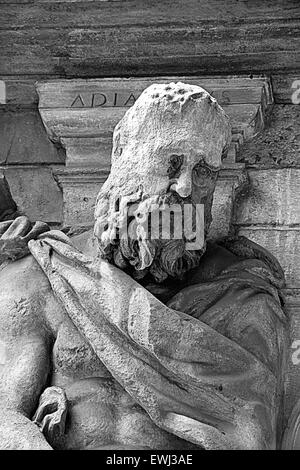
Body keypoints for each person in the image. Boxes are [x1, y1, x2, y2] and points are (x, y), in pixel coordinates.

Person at [0, 83, 288, 450]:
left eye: (203, 171)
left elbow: (254, 432)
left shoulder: (240, 295)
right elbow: (4, 416)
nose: (184, 187)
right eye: (171, 161)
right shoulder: (40, 276)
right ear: (122, 150)